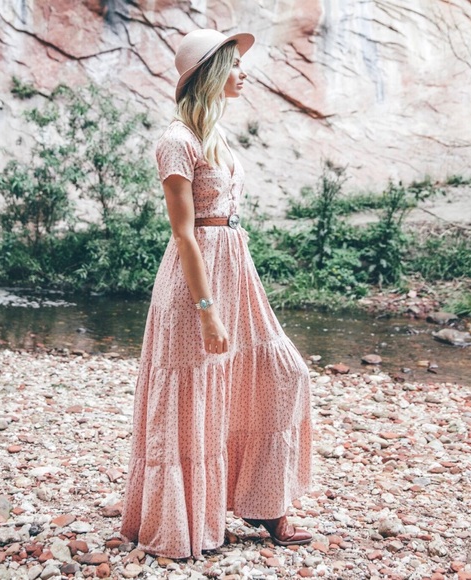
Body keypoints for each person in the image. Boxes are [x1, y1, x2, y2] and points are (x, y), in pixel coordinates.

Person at [121, 28, 313, 559]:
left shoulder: (215, 136)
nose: (243, 72)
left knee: (282, 372)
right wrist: (206, 311)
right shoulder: (177, 141)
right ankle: (184, 518)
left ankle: (261, 500)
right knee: (194, 395)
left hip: (235, 269)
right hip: (195, 282)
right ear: (208, 75)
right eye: (233, 64)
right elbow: (184, 234)